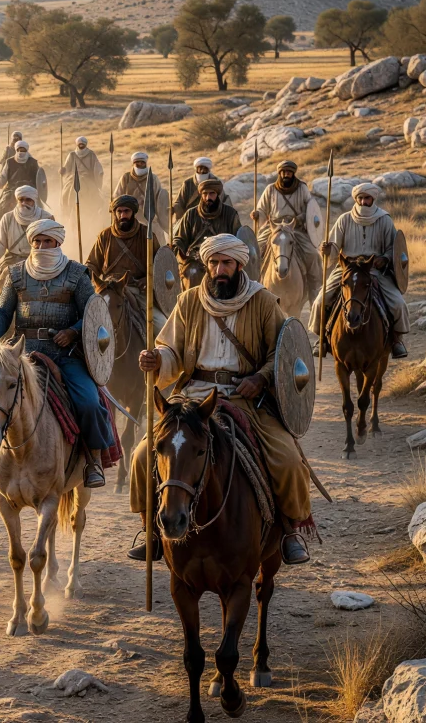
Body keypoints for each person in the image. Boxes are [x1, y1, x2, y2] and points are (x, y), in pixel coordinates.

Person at [128, 233, 314, 565]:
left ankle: (289, 531)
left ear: (239, 264)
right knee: (143, 455)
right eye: (213, 263)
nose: (218, 270)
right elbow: (170, 348)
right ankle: (152, 531)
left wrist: (261, 378)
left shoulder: (263, 301)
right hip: (193, 398)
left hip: (246, 398)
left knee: (287, 460)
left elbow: (283, 355)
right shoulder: (188, 301)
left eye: (226, 263)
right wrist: (158, 361)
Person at [0, 219, 114, 488]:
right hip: (20, 355)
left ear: (58, 243)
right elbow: (3, 313)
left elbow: (95, 316)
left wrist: (72, 331)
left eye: (47, 241)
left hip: (64, 354)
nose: (41, 246)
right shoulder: (16, 274)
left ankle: (93, 461)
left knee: (90, 401)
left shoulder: (77, 275)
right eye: (37, 241)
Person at [311, 182, 410, 358]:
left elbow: (393, 248)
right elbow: (334, 247)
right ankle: (322, 339)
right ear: (356, 199)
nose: (363, 201)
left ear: (373, 199)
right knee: (321, 300)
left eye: (367, 198)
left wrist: (385, 258)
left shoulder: (384, 220)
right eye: (361, 198)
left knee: (398, 303)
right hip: (346, 269)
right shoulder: (344, 219)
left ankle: (396, 340)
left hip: (374, 271)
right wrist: (327, 250)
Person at [86, 194, 166, 327]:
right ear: (115, 213)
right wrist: (86, 276)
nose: (123, 215)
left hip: (137, 290)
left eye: (126, 211)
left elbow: (159, 265)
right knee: (88, 323)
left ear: (133, 212)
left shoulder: (147, 235)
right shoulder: (105, 236)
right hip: (108, 289)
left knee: (160, 324)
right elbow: (92, 264)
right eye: (119, 211)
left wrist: (148, 278)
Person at [252, 159, 323, 306]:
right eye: (284, 172)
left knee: (313, 255)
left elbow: (310, 210)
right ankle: (251, 288)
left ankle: (315, 294)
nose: (286, 175)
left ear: (293, 173)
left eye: (289, 172)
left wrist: (300, 218)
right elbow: (262, 209)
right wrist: (257, 214)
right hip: (273, 227)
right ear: (280, 173)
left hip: (295, 228)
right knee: (254, 251)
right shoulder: (270, 189)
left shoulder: (302, 188)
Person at [171, 177, 241, 288]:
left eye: (212, 193)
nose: (208, 197)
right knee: (191, 275)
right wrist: (176, 247)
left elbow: (238, 239)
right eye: (205, 194)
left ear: (217, 194)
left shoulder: (230, 214)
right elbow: (180, 238)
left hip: (222, 258)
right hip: (195, 258)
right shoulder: (190, 214)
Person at [0, 185, 52, 297]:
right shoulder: (7, 218)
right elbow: (1, 243)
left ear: (34, 201)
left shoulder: (46, 218)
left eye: (28, 200)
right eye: (21, 200)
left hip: (38, 261)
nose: (24, 203)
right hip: (12, 260)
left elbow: (52, 244)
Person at [113, 152, 170, 245]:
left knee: (157, 235)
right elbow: (117, 196)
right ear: (133, 164)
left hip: (149, 217)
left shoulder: (153, 178)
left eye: (142, 163)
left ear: (145, 163)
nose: (140, 165)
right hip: (129, 215)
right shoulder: (126, 178)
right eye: (137, 163)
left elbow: (159, 198)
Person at [60, 136, 104, 250]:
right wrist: (63, 170)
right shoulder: (72, 155)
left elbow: (97, 167)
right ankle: (65, 207)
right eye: (79, 143)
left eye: (83, 143)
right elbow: (67, 167)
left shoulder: (91, 154)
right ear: (77, 144)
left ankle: (96, 208)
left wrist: (99, 174)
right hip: (73, 178)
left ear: (85, 144)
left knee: (95, 194)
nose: (81, 145)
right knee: (66, 192)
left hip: (87, 179)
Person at [0, 140, 44, 216]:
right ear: (16, 150)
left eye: (23, 150)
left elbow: (39, 178)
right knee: (1, 207)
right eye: (19, 150)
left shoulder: (33, 162)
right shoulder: (9, 162)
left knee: (40, 209)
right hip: (12, 189)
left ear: (26, 150)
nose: (21, 152)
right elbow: (3, 176)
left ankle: (42, 225)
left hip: (30, 188)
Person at [171, 157, 215, 224]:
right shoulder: (187, 183)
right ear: (196, 169)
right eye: (200, 169)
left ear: (208, 170)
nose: (202, 171)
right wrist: (174, 209)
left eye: (204, 170)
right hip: (190, 218)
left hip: (211, 217)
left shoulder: (215, 182)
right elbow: (180, 201)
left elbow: (223, 200)